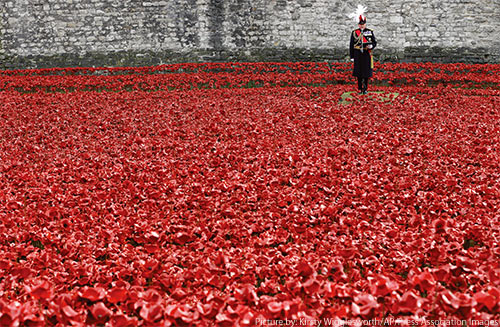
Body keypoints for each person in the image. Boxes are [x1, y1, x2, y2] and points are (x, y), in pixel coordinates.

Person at [349, 13, 377, 94]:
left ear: (365, 24)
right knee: (359, 72)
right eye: (360, 24)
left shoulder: (369, 32)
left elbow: (374, 42)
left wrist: (371, 46)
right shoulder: (354, 32)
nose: (362, 26)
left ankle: (365, 89)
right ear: (358, 24)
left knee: (366, 72)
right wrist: (352, 56)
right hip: (357, 54)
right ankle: (359, 88)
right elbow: (351, 45)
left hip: (366, 53)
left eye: (363, 24)